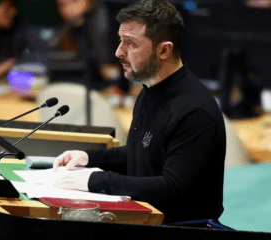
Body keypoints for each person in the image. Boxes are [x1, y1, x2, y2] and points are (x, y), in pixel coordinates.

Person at [52, 0, 226, 224]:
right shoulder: (149, 90)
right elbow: (143, 153)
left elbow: (172, 187)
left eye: (130, 44)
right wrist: (88, 158)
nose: (118, 52)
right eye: (120, 41)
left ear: (164, 50)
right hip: (145, 219)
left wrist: (95, 180)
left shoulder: (194, 112)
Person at [52, 0, 128, 95]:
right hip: (87, 92)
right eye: (62, 5)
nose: (67, 9)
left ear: (89, 2)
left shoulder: (109, 25)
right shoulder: (67, 32)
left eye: (74, 1)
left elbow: (113, 70)